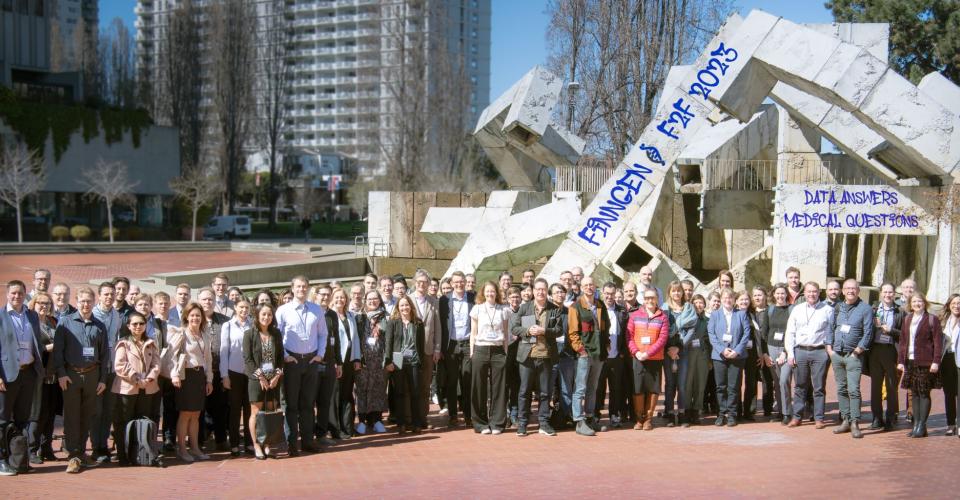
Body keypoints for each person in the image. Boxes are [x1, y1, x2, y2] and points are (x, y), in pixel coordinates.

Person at [53, 287, 109, 474]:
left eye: (89, 301)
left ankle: (81, 453)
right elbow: (58, 352)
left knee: (87, 415)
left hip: (92, 375)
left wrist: (102, 379)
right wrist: (61, 373)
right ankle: (73, 456)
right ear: (77, 302)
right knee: (71, 417)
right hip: (71, 376)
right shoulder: (65, 323)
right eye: (82, 301)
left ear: (94, 302)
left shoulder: (99, 325)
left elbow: (104, 354)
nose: (86, 304)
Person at [276, 276, 327, 455]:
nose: (302, 289)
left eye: (305, 286)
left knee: (308, 403)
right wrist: (285, 356)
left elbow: (323, 334)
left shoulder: (316, 310)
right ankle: (291, 443)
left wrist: (320, 354)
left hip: (311, 360)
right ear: (292, 288)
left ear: (308, 288)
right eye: (298, 286)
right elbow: (277, 336)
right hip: (292, 361)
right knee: (291, 405)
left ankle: (307, 441)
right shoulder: (283, 310)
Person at [0, 280, 43, 476]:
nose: (17, 296)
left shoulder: (32, 316)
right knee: (1, 419)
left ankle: (17, 460)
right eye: (13, 293)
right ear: (7, 294)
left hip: (28, 374)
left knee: (22, 419)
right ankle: (1, 460)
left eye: (20, 293)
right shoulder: (0, 316)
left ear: (25, 294)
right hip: (7, 375)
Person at [511, 278, 563, 436]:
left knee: (545, 392)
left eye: (543, 289)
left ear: (547, 291)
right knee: (524, 391)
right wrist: (527, 332)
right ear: (533, 291)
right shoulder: (524, 307)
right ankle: (523, 424)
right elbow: (514, 328)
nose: (540, 292)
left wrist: (544, 331)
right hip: (527, 356)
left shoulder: (554, 308)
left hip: (546, 356)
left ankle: (544, 423)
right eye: (538, 289)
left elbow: (560, 330)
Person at [827, 279, 874, 439]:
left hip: (853, 355)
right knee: (841, 389)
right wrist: (829, 348)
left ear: (858, 290)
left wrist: (858, 351)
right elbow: (830, 327)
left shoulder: (865, 309)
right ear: (843, 291)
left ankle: (855, 422)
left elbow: (868, 332)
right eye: (847, 288)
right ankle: (845, 420)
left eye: (853, 288)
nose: (850, 291)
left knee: (853, 390)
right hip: (837, 355)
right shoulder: (838, 307)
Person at [111, 312, 161, 466]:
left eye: (141, 323)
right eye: (134, 324)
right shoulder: (123, 343)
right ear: (128, 326)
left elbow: (156, 364)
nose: (138, 327)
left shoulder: (151, 342)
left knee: (142, 421)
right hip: (127, 389)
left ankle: (140, 453)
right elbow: (120, 365)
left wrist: (149, 378)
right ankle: (123, 455)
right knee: (124, 422)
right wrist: (136, 378)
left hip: (147, 388)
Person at [168, 304, 214, 462]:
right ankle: (182, 449)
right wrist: (174, 375)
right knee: (185, 413)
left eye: (198, 316)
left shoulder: (204, 335)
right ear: (187, 316)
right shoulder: (181, 333)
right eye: (192, 315)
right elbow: (171, 357)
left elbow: (208, 359)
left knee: (196, 414)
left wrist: (209, 379)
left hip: (199, 376)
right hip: (185, 376)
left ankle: (194, 447)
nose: (195, 318)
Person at [785, 282, 833, 429]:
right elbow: (790, 332)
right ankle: (797, 417)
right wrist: (790, 353)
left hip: (819, 351)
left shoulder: (828, 310)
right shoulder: (797, 309)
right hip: (800, 351)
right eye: (808, 292)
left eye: (814, 292)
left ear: (819, 293)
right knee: (800, 386)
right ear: (804, 293)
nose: (811, 294)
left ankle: (819, 417)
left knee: (819, 387)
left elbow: (831, 332)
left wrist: (828, 352)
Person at [467, 281, 510, 435]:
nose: (490, 294)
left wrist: (505, 352)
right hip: (481, 349)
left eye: (493, 291)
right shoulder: (477, 309)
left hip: (498, 350)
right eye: (487, 291)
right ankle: (480, 423)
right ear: (483, 293)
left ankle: (497, 422)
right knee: (478, 386)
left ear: (496, 293)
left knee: (499, 387)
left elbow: (505, 333)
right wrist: (472, 352)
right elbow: (473, 333)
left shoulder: (503, 310)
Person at [568, 277, 609, 436]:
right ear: (581, 287)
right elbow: (572, 332)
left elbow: (605, 327)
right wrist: (581, 350)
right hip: (584, 354)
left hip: (599, 354)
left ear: (595, 286)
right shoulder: (575, 306)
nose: (589, 287)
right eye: (585, 285)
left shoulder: (600, 305)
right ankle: (579, 421)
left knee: (593, 387)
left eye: (591, 284)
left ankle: (590, 417)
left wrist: (606, 344)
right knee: (580, 388)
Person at [897, 292, 942, 438]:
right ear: (910, 304)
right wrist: (900, 361)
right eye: (914, 301)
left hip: (926, 361)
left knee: (923, 393)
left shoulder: (931, 319)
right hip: (910, 360)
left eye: (920, 301)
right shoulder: (907, 319)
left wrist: (936, 361)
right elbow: (903, 342)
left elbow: (937, 342)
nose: (917, 304)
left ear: (925, 303)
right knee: (914, 393)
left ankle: (922, 425)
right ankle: (916, 424)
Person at [243, 304, 284, 460]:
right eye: (263, 314)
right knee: (256, 413)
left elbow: (280, 358)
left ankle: (267, 443)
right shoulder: (249, 334)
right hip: (256, 380)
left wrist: (276, 376)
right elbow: (248, 359)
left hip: (273, 380)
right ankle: (256, 445)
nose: (266, 317)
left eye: (269, 315)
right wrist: (260, 377)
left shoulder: (276, 334)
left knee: (269, 411)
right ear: (257, 315)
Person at [707, 288, 751, 427]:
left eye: (731, 297)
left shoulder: (741, 314)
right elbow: (711, 335)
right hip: (719, 356)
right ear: (721, 299)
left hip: (737, 357)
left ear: (734, 300)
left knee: (733, 387)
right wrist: (722, 350)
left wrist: (737, 351)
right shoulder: (715, 315)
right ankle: (721, 414)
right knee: (720, 386)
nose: (728, 300)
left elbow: (746, 334)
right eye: (725, 297)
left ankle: (732, 414)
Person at [384, 295, 427, 434]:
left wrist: (422, 362)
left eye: (406, 305)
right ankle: (401, 424)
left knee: (415, 393)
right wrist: (388, 361)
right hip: (397, 360)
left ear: (411, 306)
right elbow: (388, 343)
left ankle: (416, 423)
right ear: (398, 308)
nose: (404, 308)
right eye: (401, 305)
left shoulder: (418, 323)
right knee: (399, 392)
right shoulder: (393, 322)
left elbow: (421, 344)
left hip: (414, 360)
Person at [627, 288, 668, 431]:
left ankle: (648, 419)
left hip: (655, 359)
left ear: (657, 299)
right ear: (643, 300)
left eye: (652, 298)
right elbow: (629, 336)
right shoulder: (634, 315)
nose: (650, 301)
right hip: (638, 358)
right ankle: (639, 419)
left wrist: (648, 353)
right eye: (647, 298)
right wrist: (636, 352)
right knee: (638, 388)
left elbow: (662, 339)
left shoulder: (662, 316)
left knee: (653, 388)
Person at [26, 292, 60, 465]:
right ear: (34, 303)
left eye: (47, 303)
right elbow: (29, 346)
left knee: (50, 413)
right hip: (37, 374)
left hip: (53, 375)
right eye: (40, 303)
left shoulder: (53, 322)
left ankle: (46, 448)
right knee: (36, 414)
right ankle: (32, 449)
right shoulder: (30, 322)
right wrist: (48, 347)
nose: (44, 306)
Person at [440, 271, 475, 427]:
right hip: (451, 345)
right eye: (456, 282)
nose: (459, 284)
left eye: (462, 281)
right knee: (452, 381)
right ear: (452, 283)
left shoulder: (473, 298)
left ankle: (468, 415)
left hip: (468, 344)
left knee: (467, 380)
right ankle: (453, 415)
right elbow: (441, 325)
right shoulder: (444, 300)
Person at [90, 282, 120, 464]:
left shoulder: (116, 315)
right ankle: (96, 446)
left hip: (112, 369)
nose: (109, 297)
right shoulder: (92, 314)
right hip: (96, 369)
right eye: (106, 294)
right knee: (97, 410)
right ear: (99, 296)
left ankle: (104, 445)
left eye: (112, 294)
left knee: (108, 409)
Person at [197, 288, 230, 450]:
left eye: (210, 299)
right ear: (199, 301)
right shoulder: (193, 319)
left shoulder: (224, 320)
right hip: (198, 373)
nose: (207, 302)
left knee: (220, 407)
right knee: (199, 408)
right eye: (204, 299)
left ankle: (221, 439)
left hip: (219, 370)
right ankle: (200, 440)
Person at [220, 299, 253, 456]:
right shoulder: (228, 325)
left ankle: (250, 442)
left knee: (249, 409)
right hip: (233, 372)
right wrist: (224, 375)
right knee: (234, 409)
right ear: (235, 308)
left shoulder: (253, 324)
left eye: (247, 307)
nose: (244, 310)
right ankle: (234, 443)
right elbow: (224, 351)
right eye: (241, 307)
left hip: (251, 372)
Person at [662, 281, 696, 427]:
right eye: (673, 291)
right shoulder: (664, 309)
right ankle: (670, 413)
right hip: (667, 351)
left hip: (683, 350)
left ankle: (682, 414)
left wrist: (679, 348)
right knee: (670, 384)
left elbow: (691, 330)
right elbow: (662, 330)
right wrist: (670, 349)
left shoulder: (689, 308)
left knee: (682, 385)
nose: (677, 293)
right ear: (669, 292)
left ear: (683, 292)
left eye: (679, 291)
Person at [328, 289, 361, 440]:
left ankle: (348, 427)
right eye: (337, 297)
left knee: (347, 394)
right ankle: (335, 429)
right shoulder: (329, 316)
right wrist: (334, 361)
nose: (340, 300)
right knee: (335, 395)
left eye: (343, 297)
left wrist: (357, 358)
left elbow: (356, 339)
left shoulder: (350, 316)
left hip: (349, 360)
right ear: (332, 299)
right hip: (336, 360)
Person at [870, 283, 903, 432]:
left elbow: (904, 334)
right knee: (875, 386)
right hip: (875, 349)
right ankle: (877, 418)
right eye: (885, 292)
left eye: (890, 292)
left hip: (890, 350)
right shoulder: (873, 309)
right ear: (881, 293)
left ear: (894, 294)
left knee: (891, 386)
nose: (888, 295)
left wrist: (892, 330)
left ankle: (890, 418)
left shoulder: (900, 312)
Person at [410, 271, 441, 426]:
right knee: (410, 386)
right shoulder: (407, 300)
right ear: (415, 282)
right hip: (410, 351)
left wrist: (437, 349)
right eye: (419, 281)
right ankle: (410, 419)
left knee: (424, 386)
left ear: (429, 284)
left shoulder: (433, 301)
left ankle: (422, 418)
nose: (422, 284)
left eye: (425, 282)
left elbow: (438, 327)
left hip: (428, 351)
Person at [595, 282, 628, 430]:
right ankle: (595, 415)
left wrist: (622, 352)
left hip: (616, 357)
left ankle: (614, 415)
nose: (609, 296)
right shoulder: (597, 309)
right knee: (598, 388)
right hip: (600, 357)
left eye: (612, 294)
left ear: (616, 294)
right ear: (602, 293)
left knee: (616, 388)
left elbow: (627, 333)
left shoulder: (622, 311)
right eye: (606, 293)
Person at [356, 291, 388, 434]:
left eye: (375, 298)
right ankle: (362, 421)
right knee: (362, 390)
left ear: (380, 300)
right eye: (369, 299)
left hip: (379, 361)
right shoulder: (359, 317)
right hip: (363, 361)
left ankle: (376, 420)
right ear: (365, 300)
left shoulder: (385, 317)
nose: (372, 301)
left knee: (378, 390)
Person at [764, 284, 794, 425]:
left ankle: (787, 412)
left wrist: (785, 352)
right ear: (773, 295)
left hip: (786, 349)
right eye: (778, 293)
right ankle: (780, 411)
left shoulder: (791, 310)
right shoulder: (769, 310)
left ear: (786, 295)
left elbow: (794, 333)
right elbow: (764, 333)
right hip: (771, 348)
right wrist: (765, 353)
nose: (780, 296)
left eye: (783, 293)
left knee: (784, 381)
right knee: (776, 382)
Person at [743, 287, 772, 421]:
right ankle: (750, 410)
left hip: (768, 351)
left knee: (767, 380)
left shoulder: (770, 311)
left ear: (765, 296)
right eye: (754, 295)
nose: (757, 298)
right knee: (751, 381)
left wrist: (764, 352)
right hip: (753, 352)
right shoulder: (750, 312)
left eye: (760, 295)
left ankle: (768, 409)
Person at [550, 283, 576, 427]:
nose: (559, 294)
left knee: (567, 389)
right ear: (551, 295)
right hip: (550, 355)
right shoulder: (547, 311)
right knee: (547, 389)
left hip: (567, 355)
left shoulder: (570, 312)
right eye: (556, 292)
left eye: (562, 292)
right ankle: (547, 417)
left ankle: (565, 417)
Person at [683, 294, 710, 425]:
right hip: (688, 354)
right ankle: (687, 411)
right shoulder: (687, 318)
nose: (699, 305)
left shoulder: (707, 320)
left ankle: (696, 410)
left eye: (701, 302)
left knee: (700, 384)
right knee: (688, 384)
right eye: (696, 302)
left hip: (702, 355)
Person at [940, 293, 960, 438]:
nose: (956, 306)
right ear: (949, 304)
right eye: (954, 303)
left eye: (959, 303)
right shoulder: (942, 320)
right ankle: (950, 424)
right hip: (946, 359)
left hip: (959, 359)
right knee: (948, 393)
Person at [503, 286, 522, 428]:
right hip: (506, 350)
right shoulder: (504, 312)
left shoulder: (524, 311)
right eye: (512, 297)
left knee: (516, 385)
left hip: (520, 351)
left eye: (517, 297)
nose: (515, 299)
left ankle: (514, 414)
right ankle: (505, 414)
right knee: (505, 384)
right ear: (508, 299)